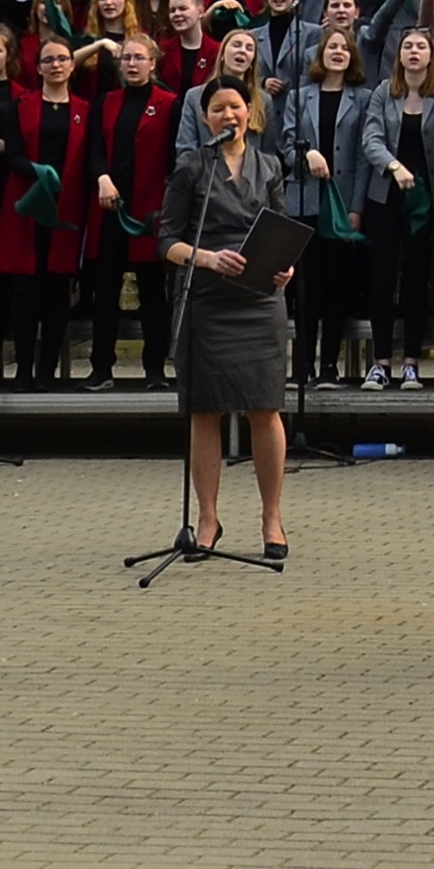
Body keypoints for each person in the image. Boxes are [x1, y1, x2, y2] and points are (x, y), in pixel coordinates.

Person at [156, 75, 297, 562]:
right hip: (208, 299)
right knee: (205, 410)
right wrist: (206, 257)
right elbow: (165, 241)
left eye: (235, 107)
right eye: (217, 109)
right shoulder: (192, 168)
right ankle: (209, 518)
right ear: (204, 117)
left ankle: (272, 517)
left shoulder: (271, 165)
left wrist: (286, 266)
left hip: (259, 301)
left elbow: (282, 227)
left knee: (264, 408)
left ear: (250, 112)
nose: (227, 116)